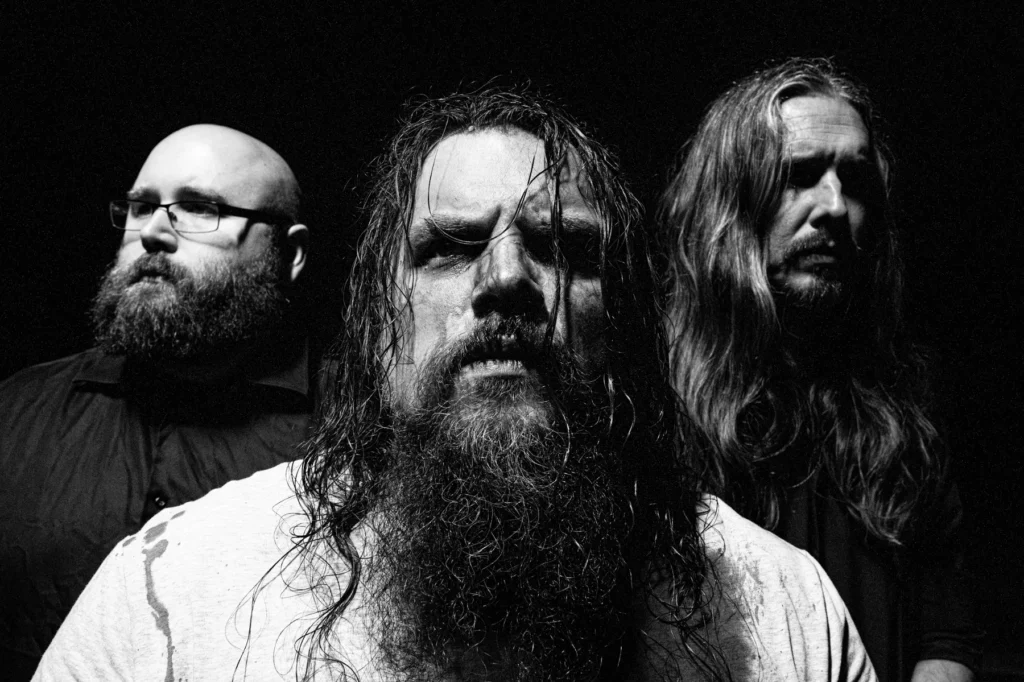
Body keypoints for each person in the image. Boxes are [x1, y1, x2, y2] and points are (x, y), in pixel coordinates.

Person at [35, 89, 875, 681]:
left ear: (622, 319)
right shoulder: (170, 596)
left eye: (564, 249)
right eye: (447, 248)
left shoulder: (787, 612)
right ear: (376, 319)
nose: (506, 279)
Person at [658, 58, 984, 681]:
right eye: (799, 176)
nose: (834, 206)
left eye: (854, 180)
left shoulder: (906, 418)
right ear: (730, 200)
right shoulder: (654, 408)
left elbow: (946, 639)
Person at [0, 124, 315, 678]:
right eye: (141, 207)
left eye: (198, 208)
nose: (152, 232)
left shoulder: (363, 432)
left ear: (289, 253)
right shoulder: (15, 411)